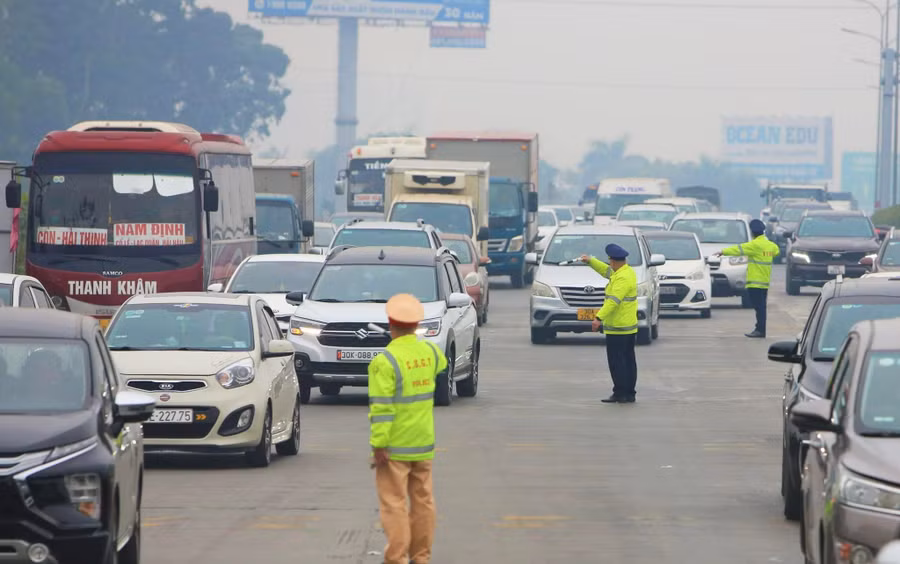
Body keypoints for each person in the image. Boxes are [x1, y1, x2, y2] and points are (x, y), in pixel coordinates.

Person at [369, 293, 448, 564]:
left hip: (394, 448)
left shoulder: (385, 361)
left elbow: (382, 408)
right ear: (417, 325)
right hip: (423, 444)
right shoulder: (430, 353)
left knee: (394, 504)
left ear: (390, 323)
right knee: (424, 501)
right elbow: (443, 363)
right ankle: (421, 557)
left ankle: (397, 559)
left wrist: (379, 445)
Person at [579, 244, 639, 404]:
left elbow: (613, 301)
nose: (609, 263)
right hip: (627, 327)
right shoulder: (626, 272)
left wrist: (598, 318)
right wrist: (591, 261)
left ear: (613, 261)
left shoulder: (622, 278)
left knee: (617, 362)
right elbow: (605, 271)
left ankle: (621, 393)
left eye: (610, 261)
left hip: (618, 328)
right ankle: (628, 393)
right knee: (628, 360)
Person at [713, 218, 779, 338]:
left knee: (759, 307)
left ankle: (760, 330)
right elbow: (776, 252)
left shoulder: (754, 245)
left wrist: (723, 252)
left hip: (754, 283)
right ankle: (760, 329)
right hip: (764, 282)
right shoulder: (771, 246)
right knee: (761, 307)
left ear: (753, 232)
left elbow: (738, 249)